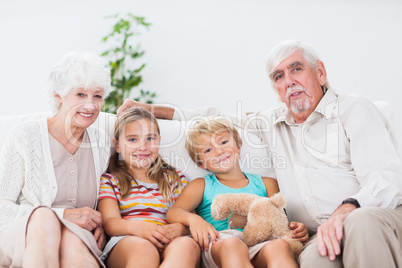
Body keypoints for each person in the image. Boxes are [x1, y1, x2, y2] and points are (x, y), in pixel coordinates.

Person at [117, 40, 402, 268]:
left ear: (321, 72)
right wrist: (149, 109)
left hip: (371, 215)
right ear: (276, 89)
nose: (289, 81)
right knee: (315, 260)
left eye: (296, 69)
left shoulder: (354, 109)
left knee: (361, 223)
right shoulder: (272, 122)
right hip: (316, 233)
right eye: (279, 76)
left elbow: (386, 179)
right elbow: (212, 118)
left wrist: (346, 211)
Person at [0, 52, 112, 267]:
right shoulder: (24, 136)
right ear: (58, 95)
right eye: (80, 94)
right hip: (24, 234)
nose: (90, 105)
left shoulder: (102, 143)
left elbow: (108, 200)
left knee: (72, 240)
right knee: (44, 218)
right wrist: (62, 215)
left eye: (97, 96)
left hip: (78, 235)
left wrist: (103, 225)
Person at [166, 117, 308, 268]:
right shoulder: (201, 185)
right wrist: (194, 220)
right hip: (221, 243)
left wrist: (298, 230)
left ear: (238, 146)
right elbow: (174, 212)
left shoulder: (267, 183)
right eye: (208, 150)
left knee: (279, 245)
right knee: (233, 245)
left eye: (223, 142)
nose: (219, 151)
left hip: (259, 243)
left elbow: (279, 220)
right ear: (201, 163)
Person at [97, 107, 200, 268]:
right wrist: (139, 228)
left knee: (186, 246)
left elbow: (188, 220)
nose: (142, 146)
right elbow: (110, 223)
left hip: (168, 239)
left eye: (150, 139)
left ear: (159, 140)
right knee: (143, 248)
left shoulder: (174, 178)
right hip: (129, 241)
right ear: (117, 145)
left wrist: (177, 230)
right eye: (132, 140)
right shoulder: (111, 180)